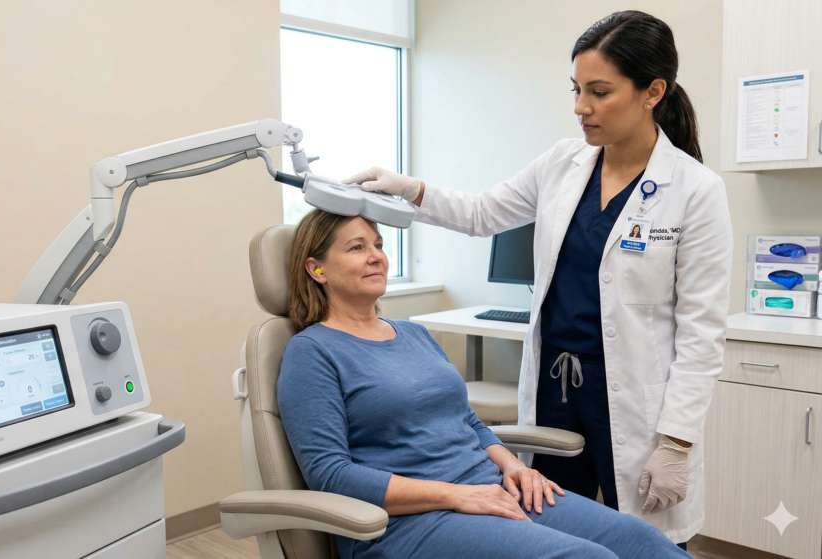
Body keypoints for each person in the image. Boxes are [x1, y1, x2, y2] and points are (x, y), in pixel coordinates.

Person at [344, 11, 732, 547]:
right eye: (576, 89)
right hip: (555, 391)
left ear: (652, 91)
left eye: (599, 91)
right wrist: (409, 188)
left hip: (638, 404)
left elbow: (701, 333)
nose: (580, 107)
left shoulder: (695, 190)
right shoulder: (564, 162)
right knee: (547, 530)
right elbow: (482, 213)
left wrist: (676, 443)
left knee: (644, 542)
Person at [277, 210, 691, 559]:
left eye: (379, 245)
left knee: (642, 542)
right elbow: (330, 475)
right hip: (404, 522)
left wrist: (513, 466)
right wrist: (454, 496)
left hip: (489, 488)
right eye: (356, 248)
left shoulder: (414, 333)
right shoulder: (312, 352)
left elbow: (470, 423)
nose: (376, 258)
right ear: (317, 269)